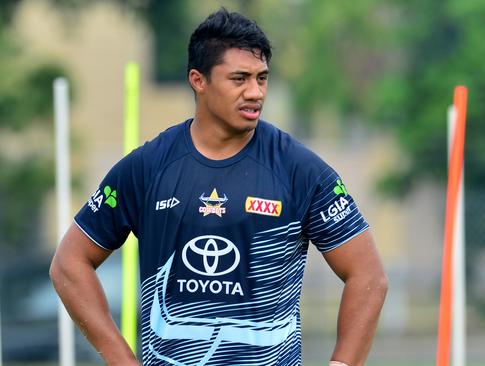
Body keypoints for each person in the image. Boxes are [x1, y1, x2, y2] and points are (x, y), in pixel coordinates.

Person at [50, 7, 387, 366]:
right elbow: (69, 264)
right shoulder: (146, 168)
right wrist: (121, 360)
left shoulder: (300, 171)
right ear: (199, 80)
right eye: (239, 78)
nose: (255, 92)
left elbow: (368, 277)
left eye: (262, 78)